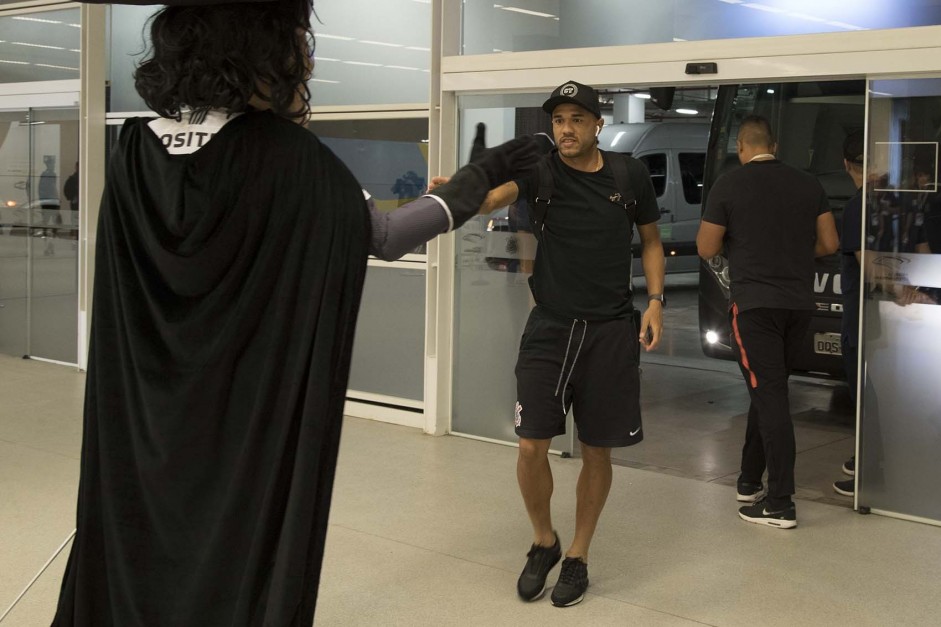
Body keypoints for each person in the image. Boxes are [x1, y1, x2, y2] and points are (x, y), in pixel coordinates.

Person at [53, 1, 547, 624]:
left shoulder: (130, 152)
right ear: (258, 52)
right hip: (243, 409)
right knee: (236, 545)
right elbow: (386, 236)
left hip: (145, 412)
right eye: (296, 45)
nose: (307, 62)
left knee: (141, 532)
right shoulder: (291, 158)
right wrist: (481, 177)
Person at [466, 80, 664, 607]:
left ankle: (577, 555)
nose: (566, 128)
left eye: (577, 119)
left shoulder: (630, 174)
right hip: (550, 327)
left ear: (598, 124)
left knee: (597, 448)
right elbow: (493, 196)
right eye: (558, 120)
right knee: (531, 443)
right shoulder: (540, 171)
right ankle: (544, 541)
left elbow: (650, 240)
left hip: (609, 330)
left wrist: (657, 301)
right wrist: (459, 194)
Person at [697, 114, 839, 529]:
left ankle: (780, 501)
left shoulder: (729, 184)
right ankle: (747, 479)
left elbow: (707, 246)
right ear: (774, 146)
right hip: (799, 306)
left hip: (755, 306)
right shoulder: (808, 184)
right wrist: (791, 254)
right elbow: (829, 242)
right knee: (770, 389)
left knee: (771, 397)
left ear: (741, 148)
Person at [832, 130, 865, 497]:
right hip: (880, 318)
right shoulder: (893, 200)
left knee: (865, 396)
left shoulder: (858, 206)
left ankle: (867, 478)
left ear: (845, 164)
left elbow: (866, 264)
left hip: (860, 321)